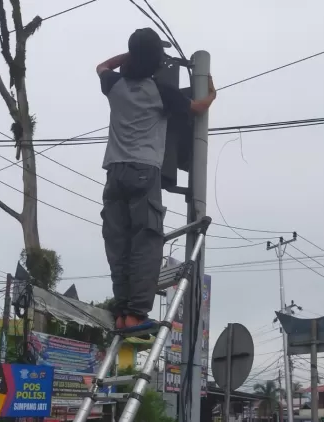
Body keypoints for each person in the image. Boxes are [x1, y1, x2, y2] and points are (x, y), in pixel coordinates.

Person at [96, 28, 216, 331]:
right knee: (146, 242)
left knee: (118, 243)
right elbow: (198, 107)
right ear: (155, 61)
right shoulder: (161, 91)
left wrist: (130, 56)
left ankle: (123, 309)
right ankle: (136, 312)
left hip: (114, 173)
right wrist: (211, 90)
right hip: (143, 172)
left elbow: (102, 67)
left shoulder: (115, 85)